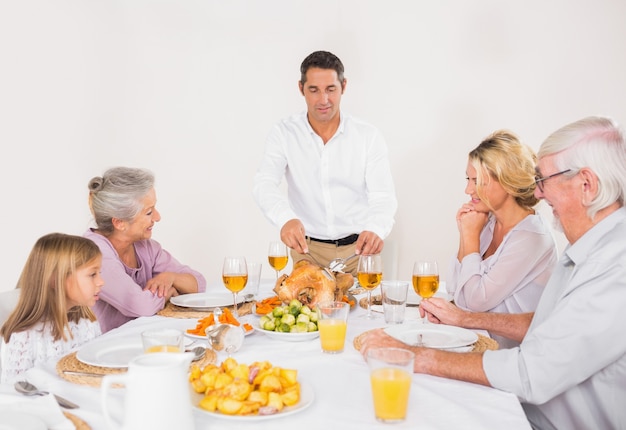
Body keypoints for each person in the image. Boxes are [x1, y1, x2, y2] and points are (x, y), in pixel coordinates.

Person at [360, 116, 626, 429]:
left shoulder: (613, 270)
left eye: (545, 180)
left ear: (586, 184)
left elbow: (530, 374)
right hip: (524, 406)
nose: (537, 194)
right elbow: (545, 321)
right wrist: (462, 319)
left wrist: (413, 355)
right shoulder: (589, 247)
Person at [252, 50, 397, 275]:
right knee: (304, 311)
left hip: (359, 251)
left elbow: (383, 196)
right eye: (314, 90)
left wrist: (376, 228)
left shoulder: (368, 135)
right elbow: (264, 183)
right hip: (307, 252)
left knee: (369, 310)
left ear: (344, 86)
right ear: (301, 89)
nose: (323, 100)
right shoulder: (284, 133)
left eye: (331, 89)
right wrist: (285, 219)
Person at [448, 130, 558, 348]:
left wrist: (469, 236)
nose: (468, 189)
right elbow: (455, 291)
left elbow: (475, 302)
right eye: (468, 179)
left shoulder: (532, 237)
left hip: (514, 358)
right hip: (478, 344)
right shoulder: (487, 222)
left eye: (477, 181)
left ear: (507, 182)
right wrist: (466, 233)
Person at [85, 167, 206, 332]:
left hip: (138, 339)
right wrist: (169, 292)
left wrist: (170, 277)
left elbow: (198, 283)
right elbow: (142, 306)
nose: (158, 217)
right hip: (103, 348)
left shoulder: (146, 247)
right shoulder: (93, 253)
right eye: (149, 212)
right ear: (119, 222)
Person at [1, 233, 104, 383]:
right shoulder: (23, 337)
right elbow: (14, 393)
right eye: (92, 274)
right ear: (56, 280)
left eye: (99, 273)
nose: (101, 282)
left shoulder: (87, 323)